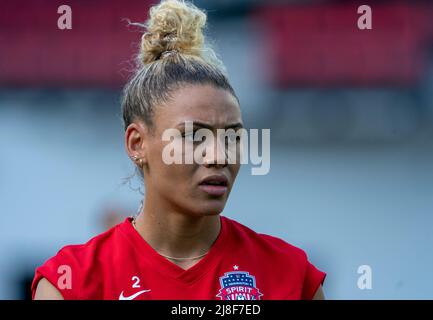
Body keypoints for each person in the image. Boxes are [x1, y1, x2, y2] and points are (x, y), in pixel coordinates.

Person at [32, 0, 326, 300]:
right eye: (194, 136)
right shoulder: (71, 282)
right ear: (137, 144)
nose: (219, 156)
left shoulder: (291, 276)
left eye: (231, 137)